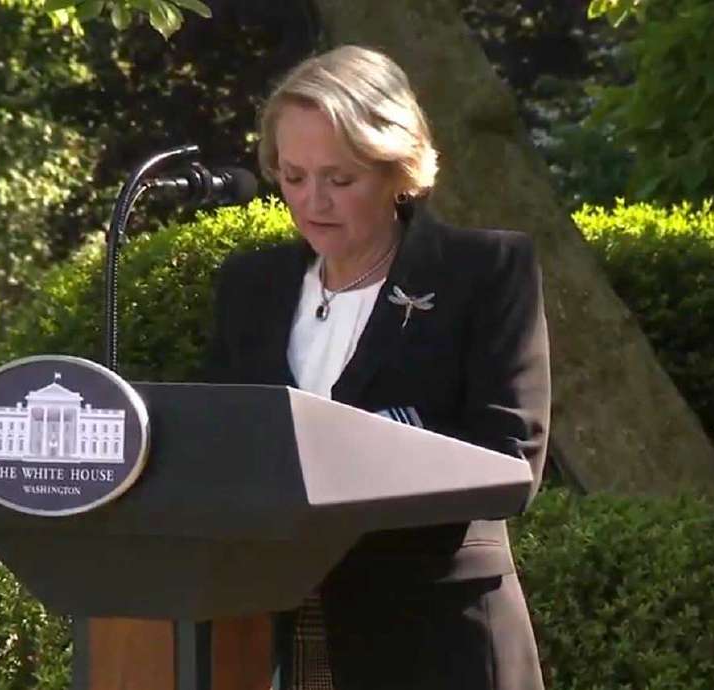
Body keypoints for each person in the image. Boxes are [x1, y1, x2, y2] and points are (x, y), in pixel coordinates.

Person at [206, 45, 551, 690]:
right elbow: (216, 440)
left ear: (399, 169)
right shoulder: (250, 286)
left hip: (436, 636)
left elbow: (510, 461)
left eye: (340, 179)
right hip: (274, 630)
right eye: (293, 175)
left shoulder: (484, 273)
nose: (313, 201)